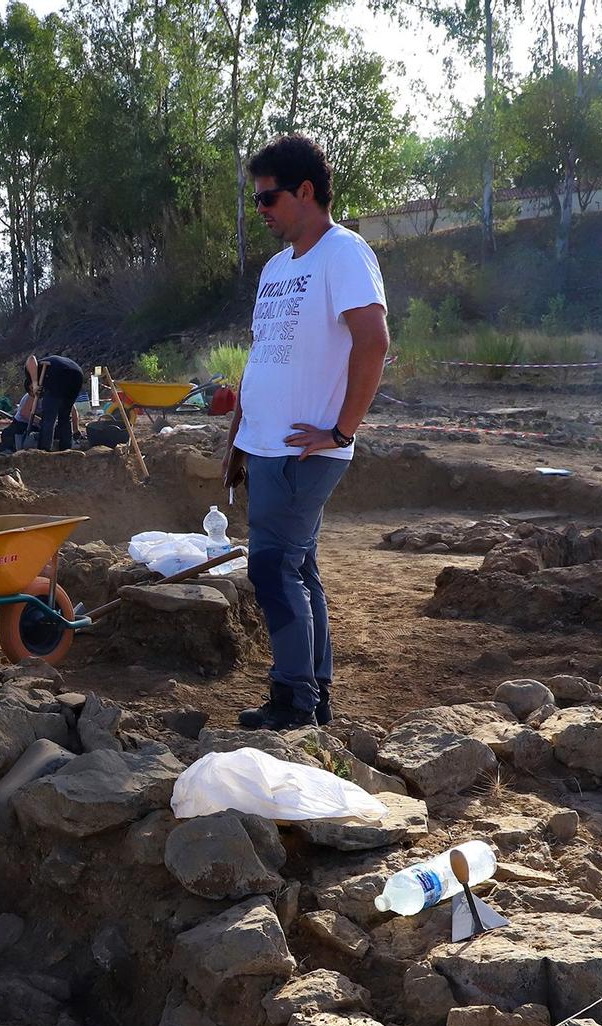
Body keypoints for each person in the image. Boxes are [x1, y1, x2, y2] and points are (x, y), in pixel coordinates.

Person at [222, 133, 389, 732]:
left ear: (306, 191)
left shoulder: (343, 254)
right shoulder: (275, 268)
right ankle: (314, 692)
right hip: (266, 446)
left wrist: (342, 430)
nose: (261, 211)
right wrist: (239, 437)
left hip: (305, 449)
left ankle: (293, 701)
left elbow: (373, 343)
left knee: (272, 569)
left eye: (268, 199)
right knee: (298, 567)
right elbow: (262, 357)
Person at [30, 353, 85, 451]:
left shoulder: (32, 371)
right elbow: (73, 409)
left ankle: (44, 451)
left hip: (59, 375)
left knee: (48, 417)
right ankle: (66, 449)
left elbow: (31, 358)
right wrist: (75, 429)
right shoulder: (45, 372)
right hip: (77, 374)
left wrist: (34, 384)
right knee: (64, 416)